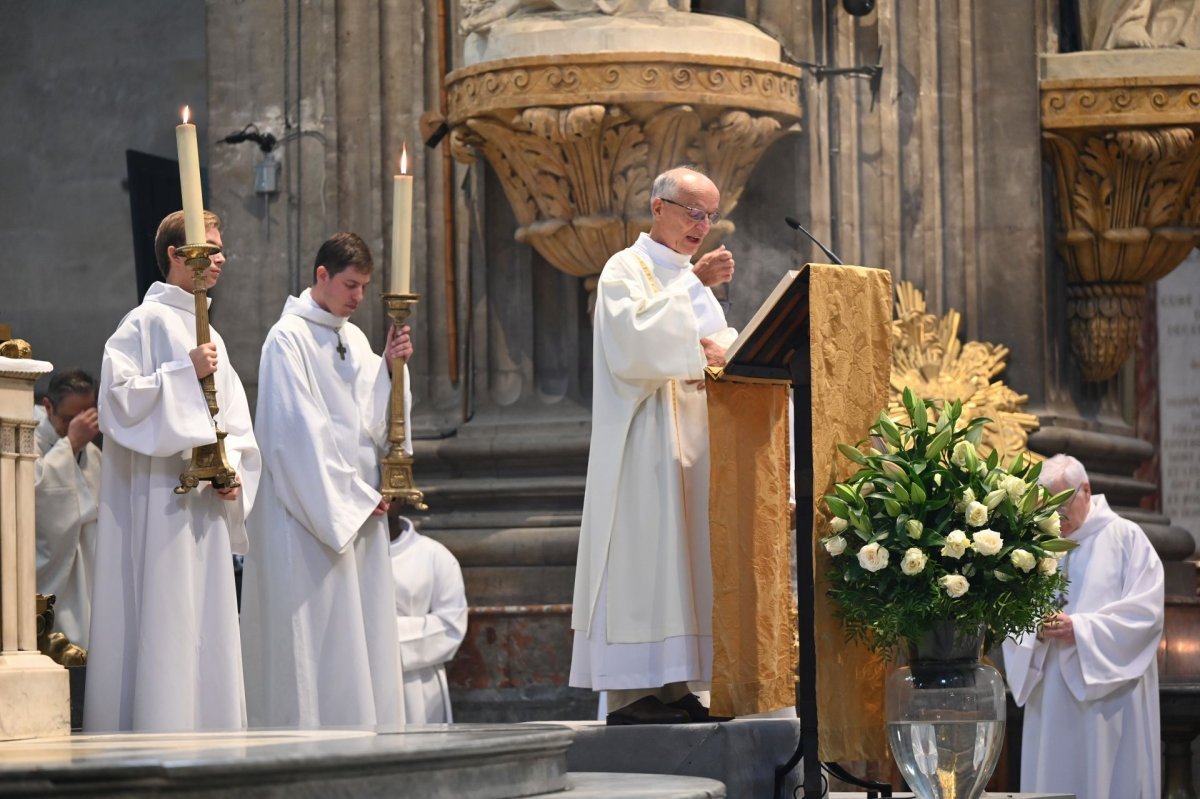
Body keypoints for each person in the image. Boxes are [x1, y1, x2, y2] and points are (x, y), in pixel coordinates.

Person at [569, 165, 737, 725]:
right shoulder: (625, 269)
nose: (702, 225)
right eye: (693, 212)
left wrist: (726, 354)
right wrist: (696, 287)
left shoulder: (686, 275)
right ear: (658, 207)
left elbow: (717, 343)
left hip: (693, 442)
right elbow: (632, 346)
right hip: (642, 445)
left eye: (710, 216)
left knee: (685, 564)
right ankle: (634, 690)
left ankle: (679, 683)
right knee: (647, 559)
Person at [84, 210, 261, 732]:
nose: (222, 256)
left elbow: (237, 424)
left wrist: (233, 475)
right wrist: (185, 374)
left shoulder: (216, 336)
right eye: (211, 246)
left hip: (204, 511)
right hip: (158, 504)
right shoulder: (142, 323)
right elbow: (117, 404)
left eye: (221, 245)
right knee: (163, 615)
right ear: (178, 256)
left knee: (204, 623)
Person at [240, 232, 412, 728]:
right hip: (310, 513)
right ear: (321, 276)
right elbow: (294, 433)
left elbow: (373, 424)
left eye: (364, 287)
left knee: (360, 627)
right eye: (351, 285)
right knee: (317, 628)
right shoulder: (286, 338)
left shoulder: (353, 337)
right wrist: (354, 497)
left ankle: (365, 730)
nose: (359, 298)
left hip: (357, 506)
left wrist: (392, 370)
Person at [1003, 454, 1164, 799]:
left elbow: (1146, 615)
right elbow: (1012, 614)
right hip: (1051, 695)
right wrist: (1035, 627)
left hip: (1108, 695)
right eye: (1047, 509)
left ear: (1086, 490)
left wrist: (1081, 629)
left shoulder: (1126, 538)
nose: (1055, 519)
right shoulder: (1038, 545)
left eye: (1062, 508)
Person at [34, 369, 101, 647]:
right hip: (45, 575)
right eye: (70, 419)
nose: (81, 428)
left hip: (85, 580)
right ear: (48, 407)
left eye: (88, 419)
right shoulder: (27, 438)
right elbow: (26, 495)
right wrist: (70, 444)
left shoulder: (95, 456)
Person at [390, 515, 468, 723]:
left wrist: (381, 638)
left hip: (417, 684)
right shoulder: (342, 556)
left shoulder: (433, 555)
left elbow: (451, 627)